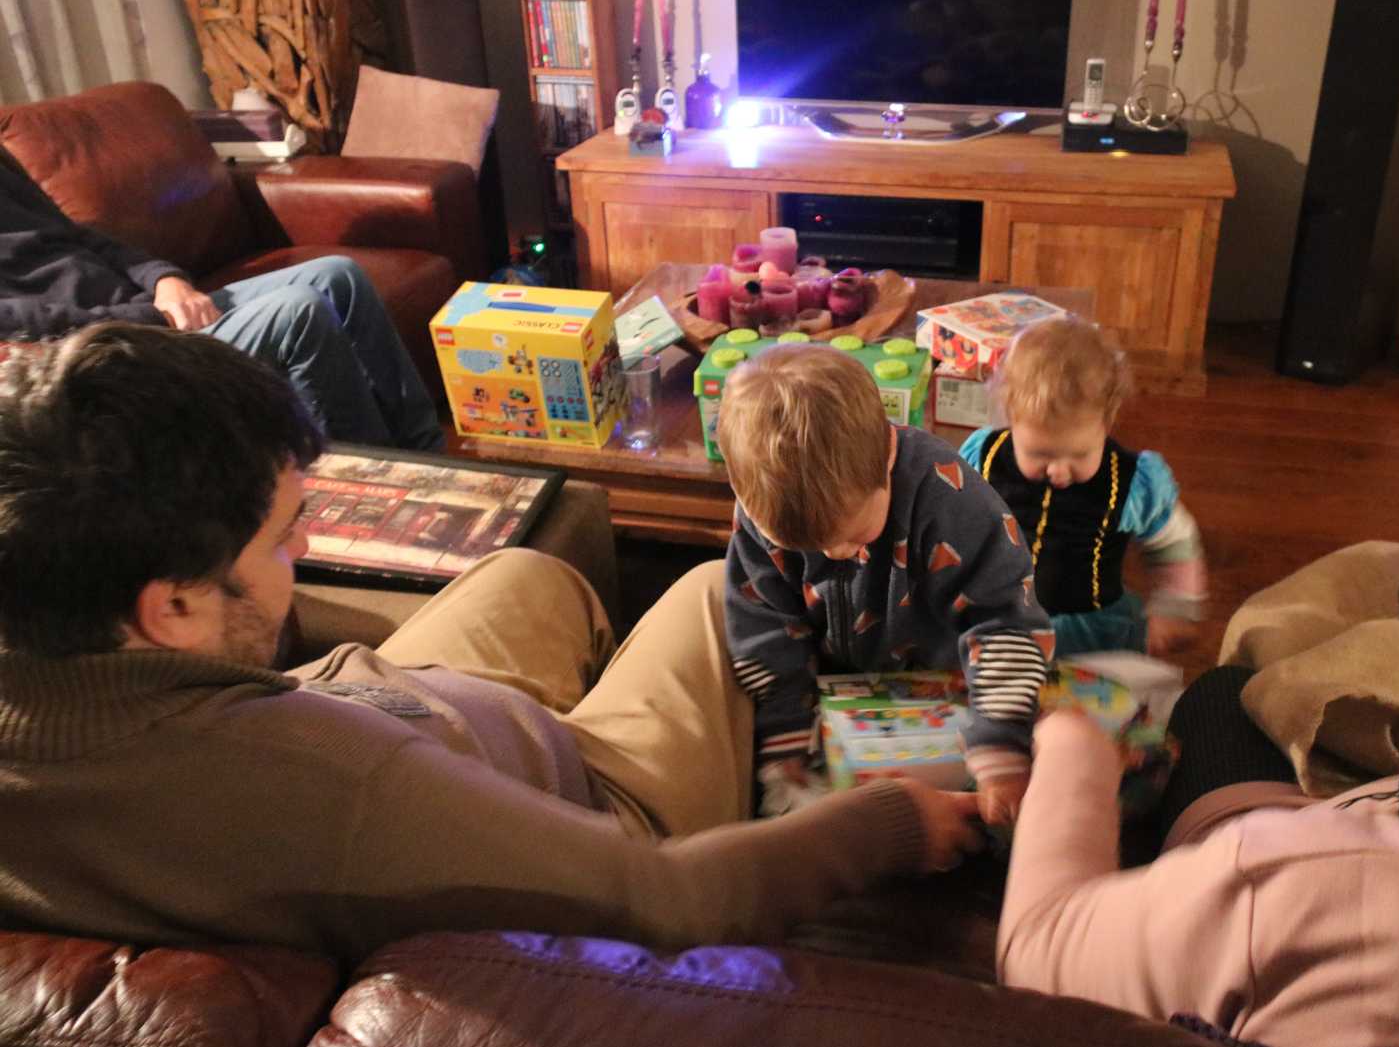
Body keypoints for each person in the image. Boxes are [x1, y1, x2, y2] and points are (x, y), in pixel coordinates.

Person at [0, 322, 983, 965]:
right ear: (170, 605)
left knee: (526, 574)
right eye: (282, 537)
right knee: (711, 593)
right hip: (567, 791)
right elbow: (676, 899)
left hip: (390, 700)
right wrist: (890, 822)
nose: (302, 551)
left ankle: (619, 685)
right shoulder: (324, 785)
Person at [997, 431, 1399, 1047]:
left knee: (1223, 697)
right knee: (1229, 697)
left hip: (1276, 891)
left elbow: (1037, 956)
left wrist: (1074, 752)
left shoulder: (1288, 888)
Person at [716, 343, 1053, 827]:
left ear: (888, 458)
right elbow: (763, 623)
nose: (835, 554)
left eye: (854, 536)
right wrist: (785, 736)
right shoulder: (762, 507)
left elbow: (1004, 620)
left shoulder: (954, 501)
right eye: (807, 546)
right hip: (837, 705)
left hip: (953, 696)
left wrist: (1001, 745)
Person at [0, 152, 442, 450]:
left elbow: (82, 237)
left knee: (337, 275)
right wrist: (151, 314)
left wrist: (165, 278)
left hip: (151, 314)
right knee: (298, 312)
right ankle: (374, 480)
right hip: (103, 353)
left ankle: (428, 451)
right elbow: (27, 324)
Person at [958, 319, 1205, 657]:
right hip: (997, 620)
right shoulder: (983, 458)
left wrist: (1173, 608)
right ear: (1011, 419)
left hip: (1091, 631)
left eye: (1080, 455)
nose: (1059, 472)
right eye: (1039, 454)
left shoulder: (1131, 482)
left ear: (1107, 421)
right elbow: (950, 521)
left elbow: (1174, 543)